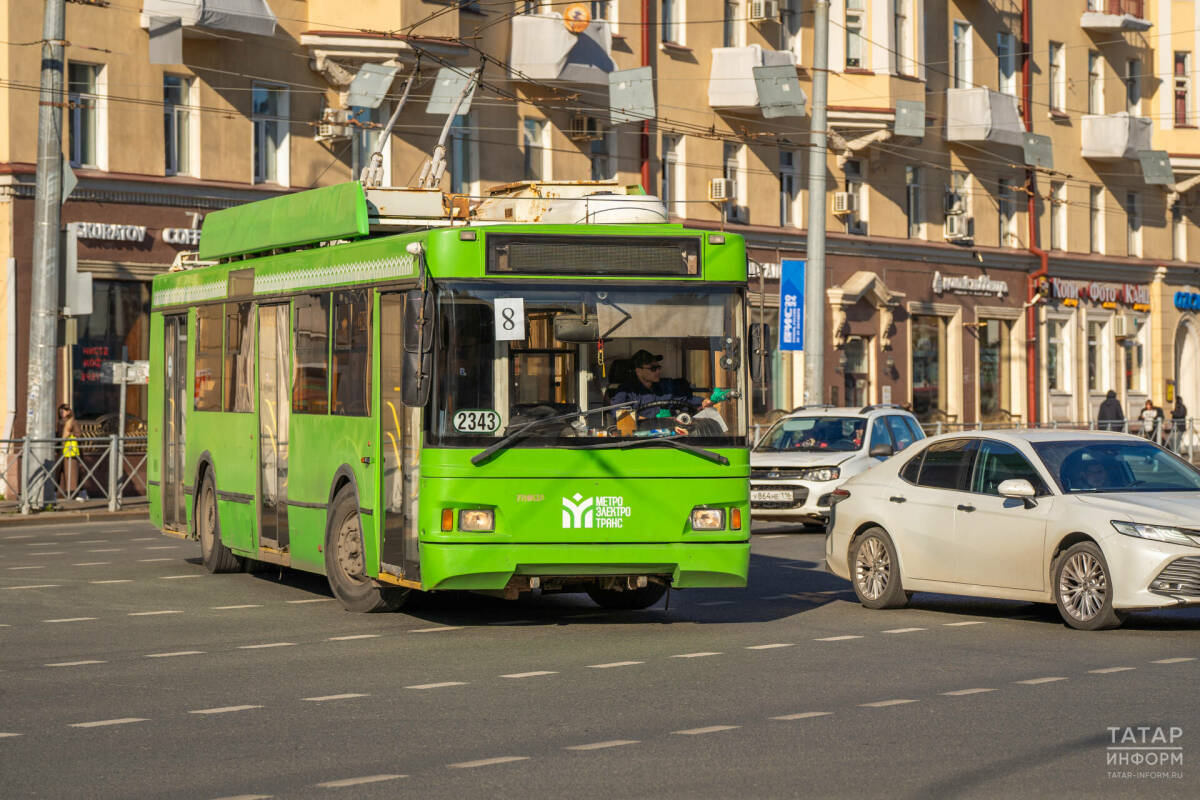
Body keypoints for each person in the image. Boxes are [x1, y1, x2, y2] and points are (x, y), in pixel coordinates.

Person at [611, 349, 713, 434]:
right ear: (638, 371)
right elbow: (617, 413)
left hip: (671, 437)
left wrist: (703, 401)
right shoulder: (625, 391)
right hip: (641, 440)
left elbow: (685, 400)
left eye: (658, 367)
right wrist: (644, 420)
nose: (658, 371)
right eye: (653, 368)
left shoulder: (665, 386)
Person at [57, 404, 84, 501]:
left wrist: (69, 434)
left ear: (68, 412)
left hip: (70, 450)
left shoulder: (73, 422)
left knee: (72, 472)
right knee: (59, 472)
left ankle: (74, 493)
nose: (61, 414)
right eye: (60, 412)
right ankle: (56, 493)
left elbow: (79, 435)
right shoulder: (60, 423)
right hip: (61, 450)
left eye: (63, 411)